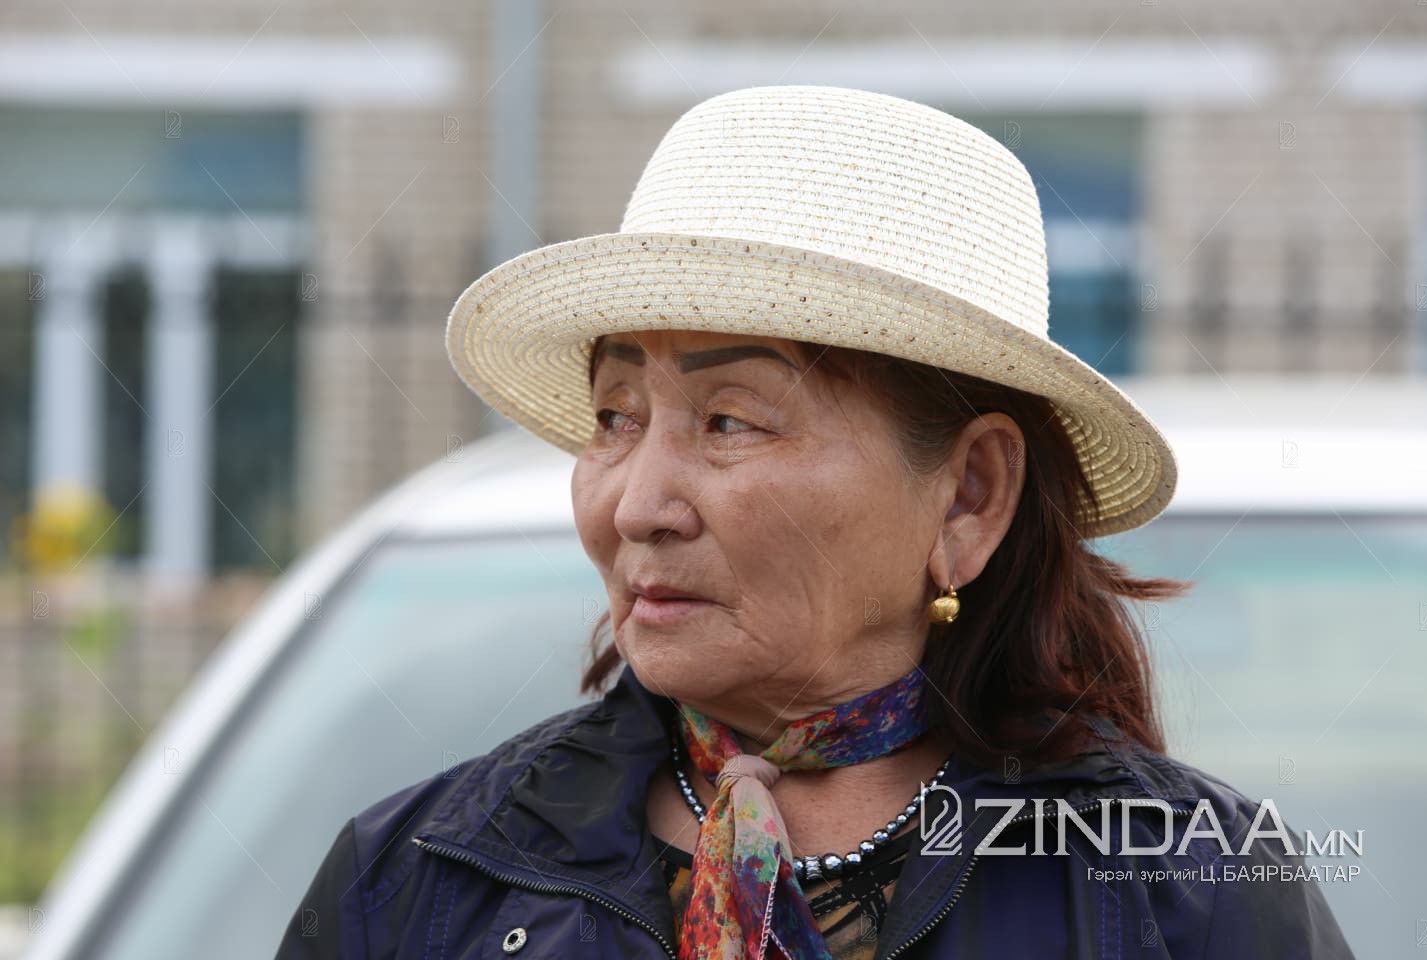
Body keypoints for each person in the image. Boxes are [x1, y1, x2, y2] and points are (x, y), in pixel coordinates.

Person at [274, 84, 1355, 959]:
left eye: (730, 421)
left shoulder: (1186, 900)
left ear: (970, 495)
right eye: (615, 417)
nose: (638, 505)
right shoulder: (415, 886)